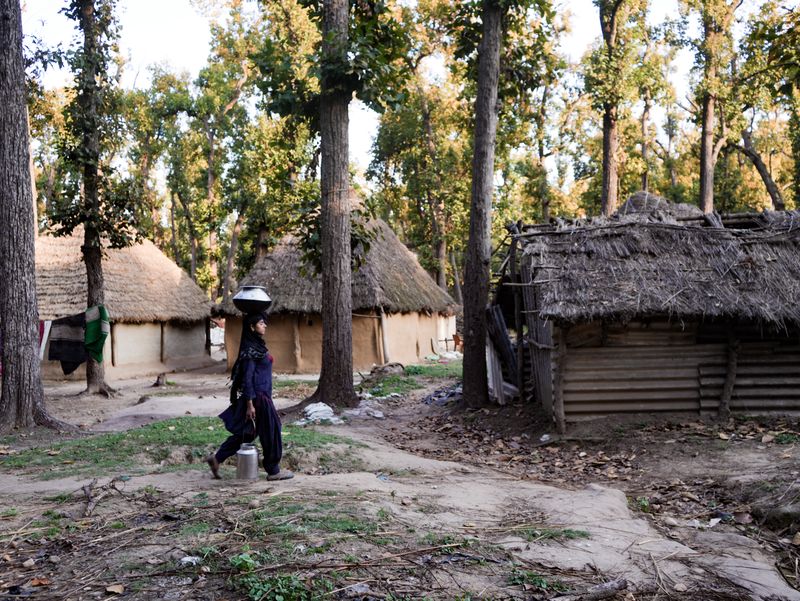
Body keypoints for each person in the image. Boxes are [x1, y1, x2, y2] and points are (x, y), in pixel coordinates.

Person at [206, 312, 294, 481]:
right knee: (272, 430)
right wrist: (250, 404)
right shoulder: (250, 351)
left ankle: (217, 459)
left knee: (247, 434)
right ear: (252, 327)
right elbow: (247, 379)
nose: (265, 326)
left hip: (261, 396)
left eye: (264, 323)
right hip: (259, 398)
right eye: (261, 323)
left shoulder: (257, 346)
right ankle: (274, 471)